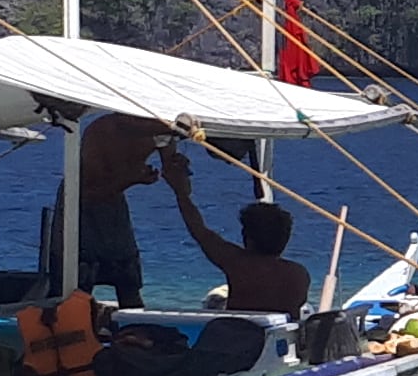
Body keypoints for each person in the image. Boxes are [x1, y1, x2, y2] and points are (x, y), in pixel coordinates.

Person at [158, 149, 314, 315]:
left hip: (239, 336)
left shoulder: (239, 265)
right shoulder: (299, 274)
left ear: (248, 239)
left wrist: (181, 194)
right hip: (277, 337)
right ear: (285, 239)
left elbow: (199, 231)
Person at [70, 111, 181, 302]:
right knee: (78, 278)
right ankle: (74, 323)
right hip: (78, 205)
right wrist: (131, 179)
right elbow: (86, 192)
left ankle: (135, 325)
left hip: (114, 204)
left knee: (128, 278)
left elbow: (174, 171)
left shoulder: (160, 133)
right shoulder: (104, 132)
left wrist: (178, 171)